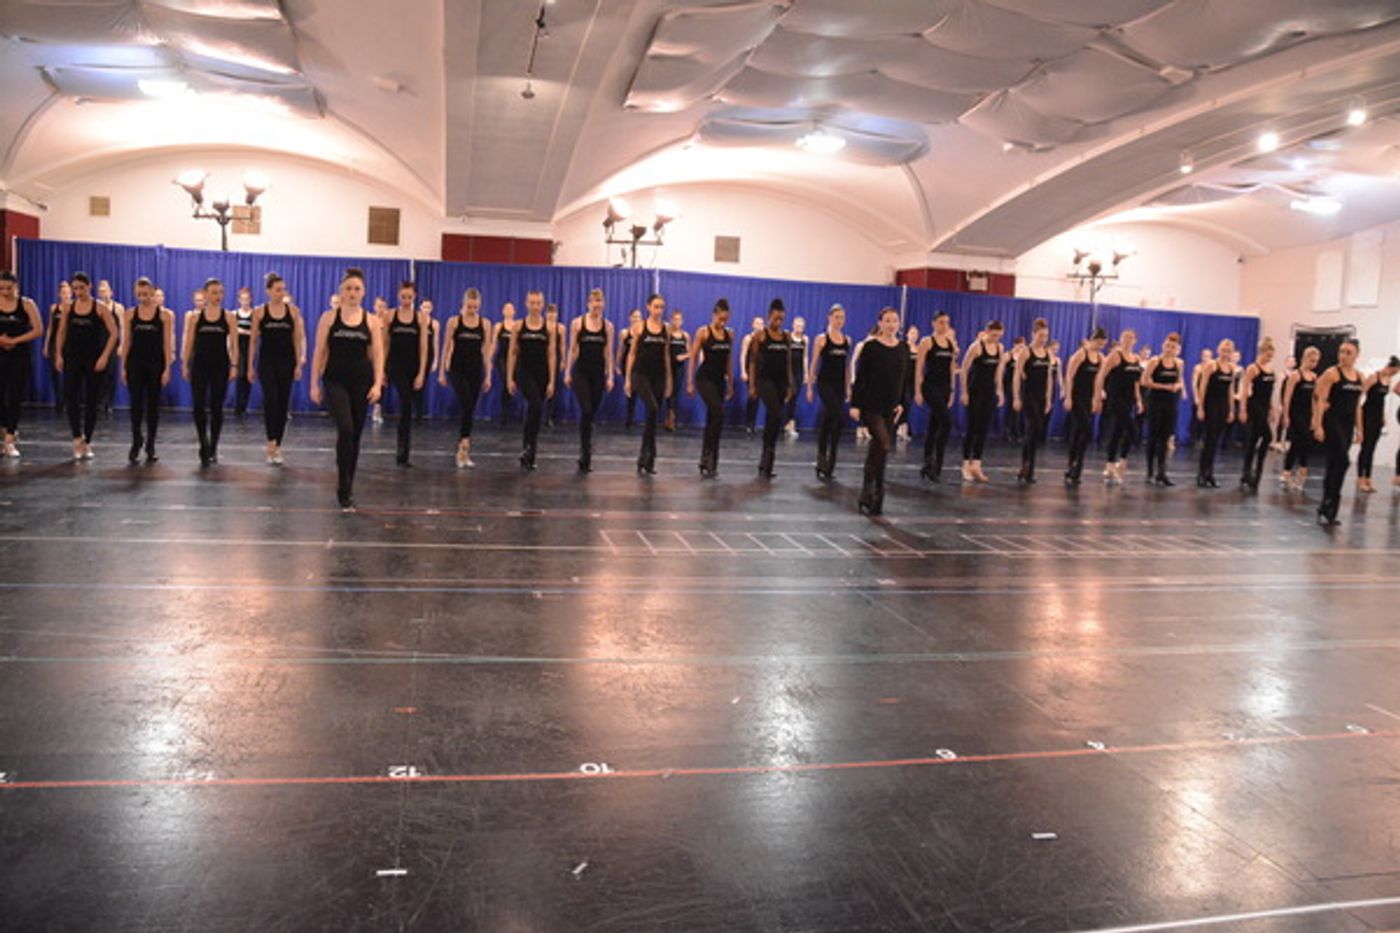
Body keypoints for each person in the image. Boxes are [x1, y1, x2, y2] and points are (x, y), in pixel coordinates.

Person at [310, 268, 383, 510]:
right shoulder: (329, 318)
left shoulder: (372, 321)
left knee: (356, 435)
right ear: (341, 291)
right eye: (348, 288)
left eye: (357, 289)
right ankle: (343, 481)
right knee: (346, 428)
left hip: (361, 383)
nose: (352, 293)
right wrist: (314, 383)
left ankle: (348, 484)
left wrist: (377, 383)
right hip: (335, 381)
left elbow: (379, 355)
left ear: (363, 292)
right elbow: (319, 352)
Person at [850, 307, 907, 516]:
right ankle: (872, 488)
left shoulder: (903, 348)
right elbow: (861, 377)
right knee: (882, 443)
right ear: (880, 324)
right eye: (888, 321)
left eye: (895, 321)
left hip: (890, 408)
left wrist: (902, 402)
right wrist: (855, 405)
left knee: (879, 451)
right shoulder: (871, 347)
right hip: (871, 405)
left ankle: (871, 492)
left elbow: (903, 378)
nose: (891, 325)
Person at [55, 272, 118, 460]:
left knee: (92, 401)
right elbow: (61, 333)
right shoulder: (68, 308)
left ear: (89, 287)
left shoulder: (100, 308)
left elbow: (114, 333)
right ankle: (76, 438)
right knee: (71, 397)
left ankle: (87, 441)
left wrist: (105, 357)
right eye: (75, 289)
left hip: (93, 359)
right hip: (72, 358)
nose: (78, 292)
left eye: (81, 288)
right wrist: (58, 355)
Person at [247, 273, 305, 465]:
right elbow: (253, 341)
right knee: (270, 400)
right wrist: (249, 366)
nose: (281, 293)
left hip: (286, 362)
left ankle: (277, 445)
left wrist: (298, 363)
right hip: (267, 362)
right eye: (278, 290)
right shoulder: (260, 312)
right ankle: (270, 442)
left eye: (283, 289)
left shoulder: (293, 311)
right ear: (269, 291)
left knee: (282, 403)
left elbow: (297, 340)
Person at [181, 278, 238, 467]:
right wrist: (184, 364)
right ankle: (203, 442)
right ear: (205, 294)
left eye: (220, 292)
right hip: (199, 366)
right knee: (198, 405)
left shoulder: (228, 317)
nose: (218, 296)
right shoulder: (195, 318)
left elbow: (235, 346)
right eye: (214, 292)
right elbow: (189, 343)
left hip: (220, 365)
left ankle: (213, 445)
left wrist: (235, 365)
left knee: (216, 407)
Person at [119, 276, 173, 464]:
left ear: (153, 293)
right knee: (135, 405)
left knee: (152, 406)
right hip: (135, 363)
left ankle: (150, 444)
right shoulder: (130, 314)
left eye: (146, 294)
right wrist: (123, 367)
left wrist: (167, 368)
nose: (143, 298)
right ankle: (136, 441)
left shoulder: (164, 315)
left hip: (155, 364)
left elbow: (167, 344)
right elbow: (126, 342)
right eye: (139, 294)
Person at [1312, 338, 1363, 525]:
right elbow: (1319, 399)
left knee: (1334, 463)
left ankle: (1326, 504)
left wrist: (1360, 429)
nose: (1343, 355)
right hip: (1333, 421)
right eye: (1341, 351)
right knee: (1343, 460)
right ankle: (1332, 500)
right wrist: (1317, 425)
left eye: (1348, 352)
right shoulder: (1332, 373)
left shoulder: (1360, 377)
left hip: (1348, 424)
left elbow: (1357, 405)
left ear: (1357, 354)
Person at [440, 287, 493, 469]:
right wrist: (441, 371)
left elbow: (486, 352)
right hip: (457, 369)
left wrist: (488, 375)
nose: (472, 310)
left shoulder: (485, 324)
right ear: (463, 305)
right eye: (469, 307)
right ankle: (463, 446)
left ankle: (464, 449)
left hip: (475, 370)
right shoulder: (454, 322)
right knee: (467, 403)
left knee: (469, 408)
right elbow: (446, 347)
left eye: (475, 307)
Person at [506, 290, 557, 470]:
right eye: (532, 303)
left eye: (538, 303)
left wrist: (552, 380)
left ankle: (530, 453)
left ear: (542, 305)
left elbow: (551, 354)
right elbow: (512, 352)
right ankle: (527, 447)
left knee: (536, 411)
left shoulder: (549, 328)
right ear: (526, 304)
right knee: (534, 404)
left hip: (542, 374)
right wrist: (509, 378)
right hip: (524, 372)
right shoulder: (518, 326)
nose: (535, 306)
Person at [564, 288, 613, 472]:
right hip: (581, 373)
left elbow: (608, 352)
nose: (597, 305)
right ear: (588, 303)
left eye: (600, 301)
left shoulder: (608, 326)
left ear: (603, 304)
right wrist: (568, 372)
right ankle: (585, 451)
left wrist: (610, 376)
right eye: (594, 301)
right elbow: (572, 349)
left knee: (591, 412)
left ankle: (587, 443)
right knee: (585, 409)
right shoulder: (578, 323)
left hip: (598, 374)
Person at [382, 281, 429, 466]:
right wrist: (382, 370)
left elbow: (424, 347)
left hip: (413, 366)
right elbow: (385, 344)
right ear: (398, 296)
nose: (406, 300)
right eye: (403, 297)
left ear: (414, 297)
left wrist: (421, 373)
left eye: (409, 297)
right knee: (405, 402)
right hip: (395, 365)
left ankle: (404, 451)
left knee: (407, 409)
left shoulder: (420, 318)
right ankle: (402, 450)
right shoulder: (390, 315)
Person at [625, 293, 672, 475]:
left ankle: (647, 458)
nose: (659, 310)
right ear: (648, 307)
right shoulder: (639, 327)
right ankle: (646, 455)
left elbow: (666, 356)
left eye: (661, 307)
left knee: (653, 417)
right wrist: (628, 380)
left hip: (658, 376)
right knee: (652, 408)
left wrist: (669, 382)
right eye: (656, 306)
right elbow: (632, 354)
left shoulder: (666, 329)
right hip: (640, 374)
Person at [748, 298, 794, 479]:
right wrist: (752, 385)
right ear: (769, 316)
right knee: (775, 412)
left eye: (781, 319)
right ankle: (766, 457)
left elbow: (789, 362)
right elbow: (752, 362)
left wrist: (790, 385)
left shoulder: (786, 337)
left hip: (781, 382)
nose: (778, 322)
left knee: (774, 419)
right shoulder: (760, 336)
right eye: (775, 318)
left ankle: (767, 462)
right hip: (764, 380)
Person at [0, 270, 43, 457]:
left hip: (19, 356)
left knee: (15, 395)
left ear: (16, 287)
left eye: (8, 288)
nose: (4, 292)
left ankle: (10, 438)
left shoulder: (26, 304)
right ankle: (4, 429)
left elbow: (38, 330)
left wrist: (15, 341)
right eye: (1, 288)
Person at [690, 298, 733, 478]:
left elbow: (729, 361)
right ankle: (708, 455)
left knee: (713, 419)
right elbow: (693, 357)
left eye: (725, 319)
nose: (722, 322)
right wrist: (689, 382)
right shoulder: (703, 332)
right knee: (719, 414)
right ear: (714, 315)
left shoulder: (729, 334)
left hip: (719, 381)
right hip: (704, 379)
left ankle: (708, 459)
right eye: (720, 319)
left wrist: (730, 383)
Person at [808, 303, 851, 481]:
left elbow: (847, 367)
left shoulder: (847, 340)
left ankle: (827, 459)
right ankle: (824, 456)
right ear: (829, 318)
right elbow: (814, 363)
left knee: (828, 420)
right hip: (824, 383)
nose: (839, 321)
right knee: (838, 417)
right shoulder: (822, 339)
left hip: (839, 385)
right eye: (836, 317)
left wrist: (848, 387)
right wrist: (810, 387)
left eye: (842, 318)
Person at [960, 320, 1006, 483]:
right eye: (993, 335)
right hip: (975, 392)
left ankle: (977, 465)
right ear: (987, 332)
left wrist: (999, 391)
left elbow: (999, 371)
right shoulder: (976, 347)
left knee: (983, 429)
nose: (996, 339)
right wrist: (964, 392)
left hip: (989, 393)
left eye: (999, 336)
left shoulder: (1000, 348)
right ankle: (965, 464)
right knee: (972, 428)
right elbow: (964, 369)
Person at [1096, 329, 1143, 485]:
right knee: (1132, 429)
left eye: (1130, 338)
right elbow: (1101, 374)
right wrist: (1100, 392)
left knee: (1118, 431)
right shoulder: (1115, 356)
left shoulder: (1136, 358)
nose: (1127, 340)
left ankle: (1109, 465)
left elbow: (1136, 382)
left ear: (1135, 340)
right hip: (1115, 398)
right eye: (1125, 337)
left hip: (1129, 399)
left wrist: (1139, 400)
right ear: (1121, 339)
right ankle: (1122, 461)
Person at [914, 312, 957, 482]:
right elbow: (919, 368)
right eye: (941, 322)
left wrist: (952, 390)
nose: (944, 326)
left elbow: (952, 369)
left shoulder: (951, 343)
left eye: (946, 322)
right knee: (946, 422)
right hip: (930, 387)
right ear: (934, 323)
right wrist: (917, 391)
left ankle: (927, 463)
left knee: (934, 425)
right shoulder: (926, 342)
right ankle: (936, 462)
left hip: (945, 387)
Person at [1062, 326, 1106, 485]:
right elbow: (1069, 377)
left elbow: (1098, 380)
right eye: (1098, 343)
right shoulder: (1080, 355)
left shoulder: (1101, 358)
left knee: (1078, 432)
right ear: (1092, 340)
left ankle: (1074, 466)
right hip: (1076, 397)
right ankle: (1075, 463)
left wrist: (1098, 398)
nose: (1100, 346)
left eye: (1103, 344)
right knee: (1086, 429)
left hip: (1088, 398)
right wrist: (1067, 397)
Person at [1012, 318, 1053, 483]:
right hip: (1028, 395)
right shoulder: (1026, 352)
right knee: (1033, 426)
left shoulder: (1048, 353)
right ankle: (1025, 465)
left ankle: (1028, 469)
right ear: (1033, 334)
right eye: (1041, 335)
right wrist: (1016, 397)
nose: (1043, 339)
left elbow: (1049, 377)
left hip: (1041, 396)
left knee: (1035, 431)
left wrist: (1049, 398)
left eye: (1046, 336)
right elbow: (1016, 376)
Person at [1142, 333, 1185, 486]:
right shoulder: (1155, 361)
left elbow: (1180, 381)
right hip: (1155, 402)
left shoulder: (1179, 363)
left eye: (1173, 347)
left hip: (1171, 403)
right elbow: (1145, 381)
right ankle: (1149, 471)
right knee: (1153, 436)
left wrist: (1177, 387)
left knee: (1165, 438)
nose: (1169, 349)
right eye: (1167, 346)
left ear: (1177, 349)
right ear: (1163, 346)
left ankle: (1162, 471)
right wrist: (1164, 386)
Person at [1194, 339, 1237, 488]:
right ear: (1219, 350)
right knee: (1209, 439)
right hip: (1210, 404)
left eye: (1229, 351)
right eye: (1224, 350)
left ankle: (1210, 473)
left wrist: (1231, 409)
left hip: (1223, 405)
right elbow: (1203, 386)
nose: (1226, 354)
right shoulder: (1212, 365)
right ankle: (1201, 473)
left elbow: (1231, 390)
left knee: (1216, 439)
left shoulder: (1232, 368)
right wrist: (1200, 407)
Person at [1237, 338, 1278, 491]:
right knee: (1267, 436)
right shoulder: (1253, 368)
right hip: (1254, 405)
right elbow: (1244, 389)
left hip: (1265, 405)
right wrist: (1242, 410)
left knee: (1254, 439)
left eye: (1271, 355)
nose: (1269, 358)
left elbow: (1270, 392)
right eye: (1268, 355)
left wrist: (1272, 409)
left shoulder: (1271, 369)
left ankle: (1247, 472)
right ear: (1262, 352)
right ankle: (1256, 470)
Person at [1279, 346, 1319, 492]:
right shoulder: (1296, 375)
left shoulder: (1314, 377)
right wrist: (1285, 415)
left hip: (1307, 414)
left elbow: (1315, 400)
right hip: (1295, 413)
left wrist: (1316, 417)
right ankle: (1294, 470)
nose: (1313, 363)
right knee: (1300, 441)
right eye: (1311, 360)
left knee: (1301, 443)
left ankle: (1294, 470)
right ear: (1305, 358)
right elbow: (1287, 397)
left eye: (1316, 361)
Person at [1356, 356, 1398, 493]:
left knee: (1372, 448)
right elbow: (1361, 395)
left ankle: (1368, 478)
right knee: (1365, 447)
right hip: (1367, 414)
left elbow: (1382, 401)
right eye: (1395, 371)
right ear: (1391, 367)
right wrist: (1358, 417)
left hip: (1377, 417)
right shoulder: (1374, 377)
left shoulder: (1389, 380)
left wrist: (1383, 416)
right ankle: (1360, 478)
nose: (1395, 374)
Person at [95, 279, 124, 414]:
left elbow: (123, 327)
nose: (103, 293)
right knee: (98, 374)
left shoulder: (117, 308)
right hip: (98, 343)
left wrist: (122, 345)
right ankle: (100, 401)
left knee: (111, 374)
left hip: (112, 344)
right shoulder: (96, 307)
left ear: (111, 292)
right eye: (101, 291)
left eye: (105, 290)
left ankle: (110, 402)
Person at [42, 279, 70, 410]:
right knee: (55, 372)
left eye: (67, 292)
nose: (65, 295)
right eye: (63, 293)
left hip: (69, 343)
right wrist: (46, 345)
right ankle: (59, 401)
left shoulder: (74, 307)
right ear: (59, 294)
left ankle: (68, 399)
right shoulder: (54, 308)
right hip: (55, 343)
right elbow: (50, 328)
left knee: (69, 373)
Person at [494, 301, 517, 426]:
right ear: (503, 311)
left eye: (510, 309)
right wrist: (489, 359)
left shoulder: (516, 326)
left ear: (514, 312)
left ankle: (512, 412)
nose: (508, 311)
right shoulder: (498, 326)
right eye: (506, 309)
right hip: (501, 358)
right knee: (505, 382)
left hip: (513, 359)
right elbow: (493, 344)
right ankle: (504, 414)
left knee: (513, 383)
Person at [740, 316, 764, 434]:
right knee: (752, 396)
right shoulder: (748, 338)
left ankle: (753, 422)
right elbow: (743, 355)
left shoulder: (764, 339)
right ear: (753, 325)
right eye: (757, 324)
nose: (759, 326)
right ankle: (748, 422)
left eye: (761, 324)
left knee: (758, 397)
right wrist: (743, 371)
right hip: (750, 370)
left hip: (761, 372)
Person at [665, 308, 689, 431]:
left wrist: (683, 356)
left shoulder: (685, 336)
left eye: (679, 319)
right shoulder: (668, 334)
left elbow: (690, 352)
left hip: (679, 367)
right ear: (671, 320)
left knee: (675, 392)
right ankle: (669, 417)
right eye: (675, 319)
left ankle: (671, 417)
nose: (677, 322)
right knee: (667, 391)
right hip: (668, 366)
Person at [233, 286, 255, 416]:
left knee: (248, 375)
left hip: (250, 347)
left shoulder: (254, 314)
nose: (245, 301)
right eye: (242, 299)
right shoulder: (234, 314)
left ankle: (244, 405)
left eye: (247, 299)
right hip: (238, 347)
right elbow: (231, 332)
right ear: (239, 300)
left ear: (250, 300)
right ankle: (238, 406)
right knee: (239, 375)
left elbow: (256, 333)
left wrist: (243, 331)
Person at [786, 315, 809, 437]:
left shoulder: (805, 339)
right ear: (793, 326)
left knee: (794, 397)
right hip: (789, 371)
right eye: (797, 325)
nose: (799, 327)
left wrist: (806, 373)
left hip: (799, 371)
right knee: (789, 396)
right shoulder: (788, 338)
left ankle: (790, 423)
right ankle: (789, 422)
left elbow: (805, 357)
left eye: (801, 326)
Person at [418, 299, 439, 425]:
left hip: (429, 354)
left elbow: (435, 343)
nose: (426, 309)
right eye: (424, 307)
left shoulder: (435, 324)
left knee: (422, 383)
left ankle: (419, 414)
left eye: (428, 307)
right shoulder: (417, 320)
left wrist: (436, 360)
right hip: (417, 354)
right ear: (420, 307)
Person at [619, 309, 641, 429]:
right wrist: (617, 364)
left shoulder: (642, 332)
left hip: (639, 364)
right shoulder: (624, 333)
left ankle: (631, 417)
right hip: (627, 363)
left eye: (638, 317)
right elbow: (621, 350)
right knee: (630, 390)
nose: (636, 319)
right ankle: (629, 419)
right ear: (630, 318)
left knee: (635, 391)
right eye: (634, 316)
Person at [1001, 335, 1026, 442]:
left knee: (1018, 410)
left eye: (1023, 346)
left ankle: (1016, 432)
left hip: (1020, 385)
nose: (1021, 348)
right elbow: (1001, 370)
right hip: (1009, 384)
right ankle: (1007, 432)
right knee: (1011, 408)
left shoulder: (1023, 356)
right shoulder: (1008, 355)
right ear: (1015, 345)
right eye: (1019, 346)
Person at [1190, 347, 1214, 447]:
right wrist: (1196, 396)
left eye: (1208, 356)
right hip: (1199, 395)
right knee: (1196, 418)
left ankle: (1204, 439)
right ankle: (1195, 438)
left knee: (1208, 418)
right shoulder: (1198, 368)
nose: (1206, 358)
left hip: (1210, 396)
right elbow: (1194, 384)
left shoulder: (1213, 367)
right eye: (1204, 356)